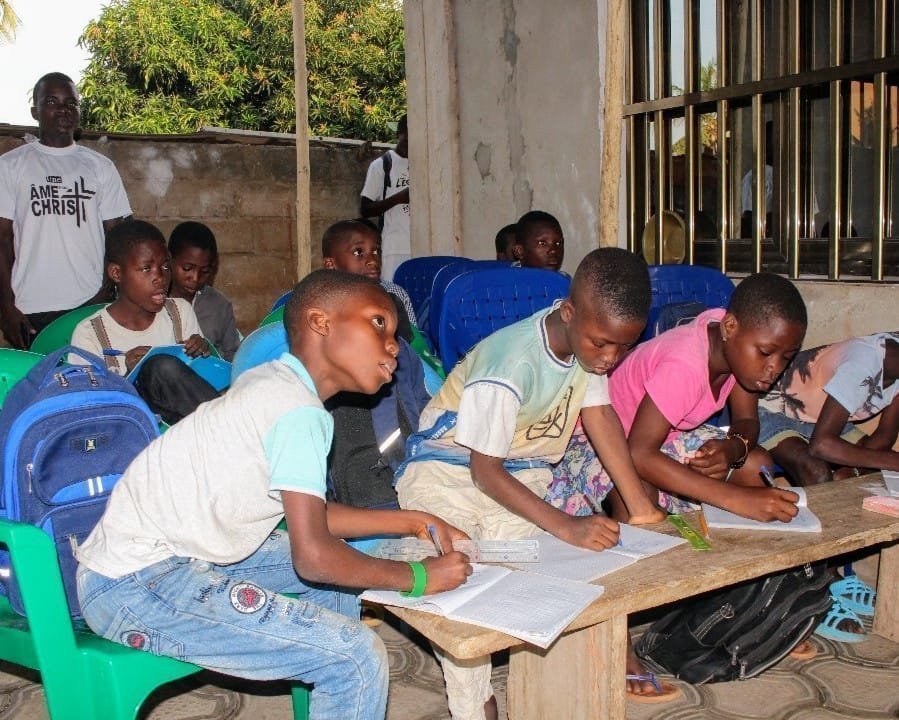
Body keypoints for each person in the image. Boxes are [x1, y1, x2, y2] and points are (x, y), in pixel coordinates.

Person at [75, 269, 472, 720]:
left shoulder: (276, 383)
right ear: (321, 322)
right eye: (379, 323)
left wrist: (415, 520)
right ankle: (341, 676)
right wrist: (419, 577)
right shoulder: (297, 411)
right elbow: (313, 557)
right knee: (356, 656)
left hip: (168, 560)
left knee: (341, 583)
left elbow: (313, 517)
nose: (394, 345)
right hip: (136, 584)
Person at [396, 248, 666, 720]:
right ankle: (475, 702)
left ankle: (562, 685)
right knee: (456, 578)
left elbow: (600, 416)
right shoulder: (510, 361)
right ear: (569, 312)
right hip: (445, 473)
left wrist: (639, 504)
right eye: (604, 344)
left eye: (625, 346)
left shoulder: (588, 346)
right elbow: (484, 470)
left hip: (520, 477)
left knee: (546, 572)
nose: (611, 358)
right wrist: (566, 525)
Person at [545, 272, 808, 697]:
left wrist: (733, 449)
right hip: (597, 440)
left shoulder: (738, 345)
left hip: (657, 440)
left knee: (757, 465)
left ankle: (752, 611)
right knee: (638, 498)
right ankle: (617, 639)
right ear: (730, 328)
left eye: (785, 356)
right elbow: (637, 454)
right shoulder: (686, 363)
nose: (773, 368)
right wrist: (735, 499)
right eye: (766, 353)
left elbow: (746, 422)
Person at [0, 72, 132, 348]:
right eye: (52, 101)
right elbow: (2, 241)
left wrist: (105, 293)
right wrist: (7, 307)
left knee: (93, 373)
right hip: (31, 306)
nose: (63, 109)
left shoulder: (100, 167)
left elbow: (119, 238)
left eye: (71, 103)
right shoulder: (10, 166)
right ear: (34, 111)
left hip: (90, 303)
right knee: (40, 375)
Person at [70, 220, 219, 425]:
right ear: (116, 273)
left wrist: (201, 353)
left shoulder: (179, 312)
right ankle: (231, 427)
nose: (160, 278)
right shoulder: (90, 334)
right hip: (133, 430)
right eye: (146, 268)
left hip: (186, 425)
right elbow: (88, 410)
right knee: (160, 367)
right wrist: (131, 375)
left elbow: (196, 389)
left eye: (165, 266)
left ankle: (228, 425)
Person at [758, 331, 899, 484]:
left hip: (821, 415)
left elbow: (884, 437)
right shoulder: (862, 364)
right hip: (770, 407)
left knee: (881, 467)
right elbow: (822, 445)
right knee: (816, 471)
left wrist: (854, 470)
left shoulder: (894, 361)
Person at [321, 219, 417, 341]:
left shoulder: (393, 295)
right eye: (358, 252)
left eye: (376, 251)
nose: (372, 260)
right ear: (330, 264)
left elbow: (414, 346)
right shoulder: (318, 300)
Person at [168, 221, 241, 361]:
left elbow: (234, 358)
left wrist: (210, 351)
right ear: (169, 259)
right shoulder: (155, 301)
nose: (195, 278)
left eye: (205, 271)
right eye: (187, 268)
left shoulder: (219, 306)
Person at [360, 115, 410, 281]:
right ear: (398, 134)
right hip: (395, 248)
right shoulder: (382, 164)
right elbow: (365, 209)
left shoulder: (426, 164)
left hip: (425, 247)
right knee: (392, 293)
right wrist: (398, 198)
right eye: (407, 137)